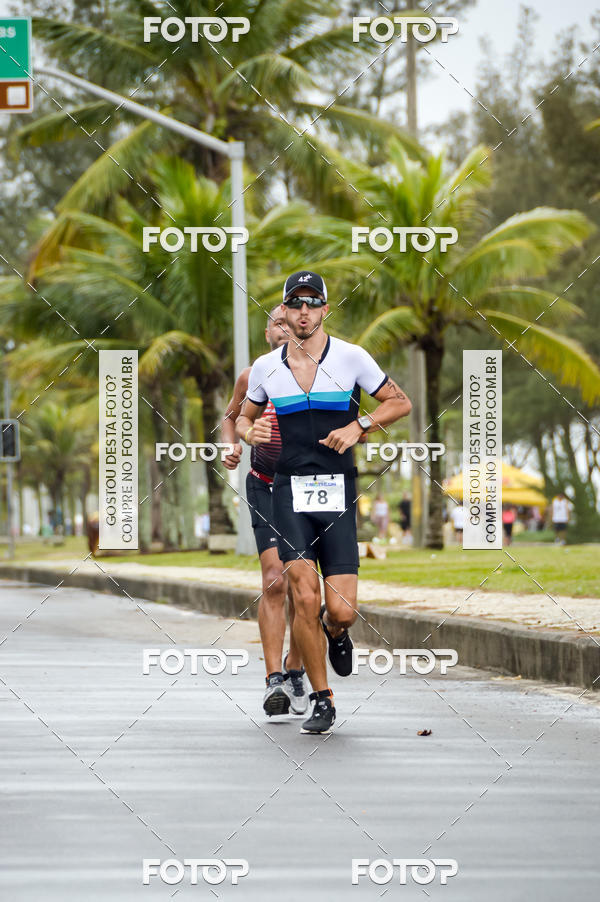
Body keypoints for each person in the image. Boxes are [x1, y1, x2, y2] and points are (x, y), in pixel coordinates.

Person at [236, 271, 411, 734]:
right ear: (285, 312)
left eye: (313, 304)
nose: (304, 312)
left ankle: (337, 635)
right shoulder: (266, 367)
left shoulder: (352, 357)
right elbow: (242, 417)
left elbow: (400, 402)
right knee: (303, 595)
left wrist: (360, 426)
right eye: (296, 304)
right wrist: (245, 431)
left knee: (341, 610)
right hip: (287, 491)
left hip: (338, 491)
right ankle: (322, 697)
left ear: (325, 309)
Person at [221, 305, 308, 717]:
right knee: (275, 581)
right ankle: (274, 681)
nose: (282, 327)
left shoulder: (317, 371)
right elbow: (232, 416)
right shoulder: (254, 373)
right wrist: (233, 443)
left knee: (302, 584)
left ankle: (296, 667)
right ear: (268, 331)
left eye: (286, 321)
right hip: (266, 483)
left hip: (308, 486)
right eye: (274, 322)